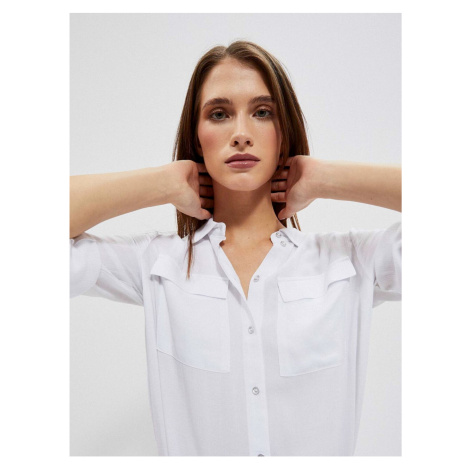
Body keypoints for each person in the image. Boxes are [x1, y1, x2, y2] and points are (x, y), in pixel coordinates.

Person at [70, 40, 401, 456]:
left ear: (284, 133)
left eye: (262, 113)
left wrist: (328, 178)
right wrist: (161, 183)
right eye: (219, 114)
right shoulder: (157, 264)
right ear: (197, 137)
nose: (241, 134)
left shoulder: (350, 262)